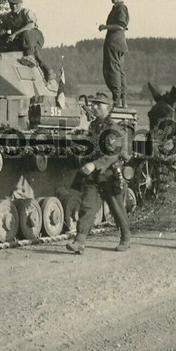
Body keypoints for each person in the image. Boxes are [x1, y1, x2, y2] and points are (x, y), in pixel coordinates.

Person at [65, 91, 132, 254]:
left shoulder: (113, 128)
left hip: (110, 174)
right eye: (93, 104)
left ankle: (126, 237)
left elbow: (112, 154)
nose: (94, 107)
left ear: (107, 108)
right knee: (87, 206)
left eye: (98, 105)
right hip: (94, 175)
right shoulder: (94, 126)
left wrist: (93, 165)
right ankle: (79, 241)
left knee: (116, 208)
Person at [0, 0, 55, 83]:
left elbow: (31, 25)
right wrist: (1, 30)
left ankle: (30, 57)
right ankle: (48, 71)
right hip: (21, 41)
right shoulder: (8, 16)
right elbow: (2, 26)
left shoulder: (26, 12)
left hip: (34, 37)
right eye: (11, 4)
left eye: (16, 4)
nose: (13, 6)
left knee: (26, 33)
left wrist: (15, 34)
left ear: (21, 3)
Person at [99, 0, 129, 108]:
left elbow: (121, 25)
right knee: (119, 71)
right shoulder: (117, 8)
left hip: (115, 42)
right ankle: (123, 101)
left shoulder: (121, 8)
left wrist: (106, 27)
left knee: (113, 71)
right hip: (118, 43)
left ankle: (117, 101)